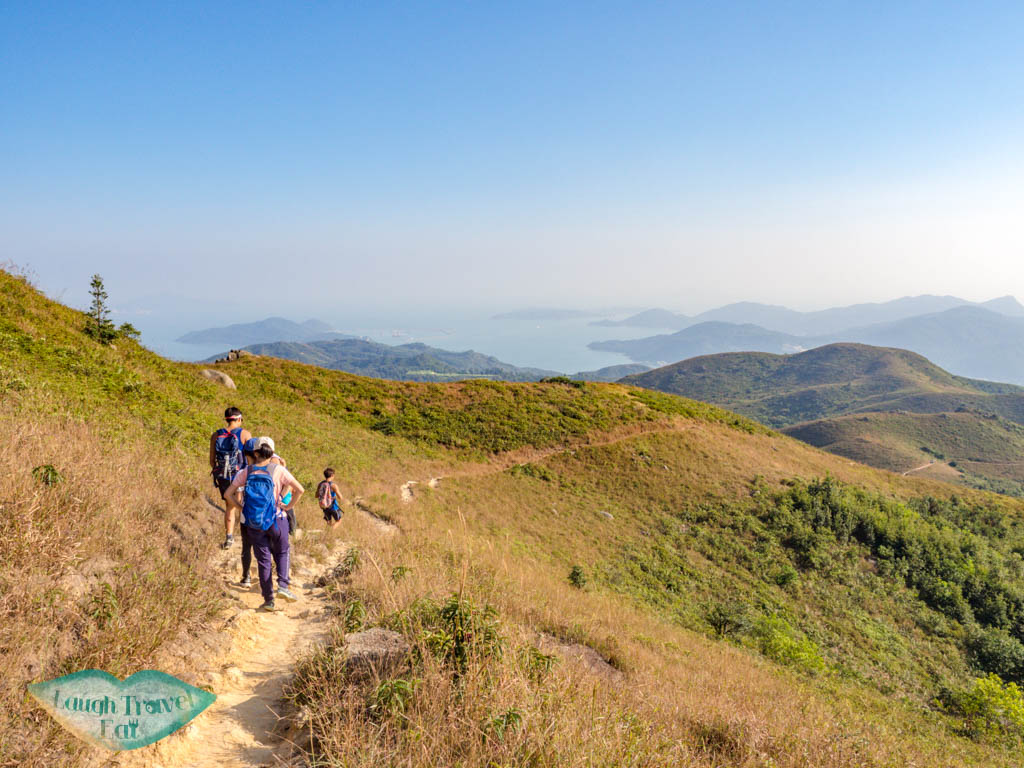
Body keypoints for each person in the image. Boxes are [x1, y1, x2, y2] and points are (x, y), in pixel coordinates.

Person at [225, 437, 304, 612]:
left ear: (254, 454)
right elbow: (300, 490)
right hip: (277, 518)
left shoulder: (246, 472)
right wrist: (287, 506)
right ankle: (283, 585)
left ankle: (268, 600)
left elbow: (228, 494)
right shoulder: (279, 470)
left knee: (263, 560)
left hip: (254, 521)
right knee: (283, 551)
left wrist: (241, 507)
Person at [238, 437, 294, 588]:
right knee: (279, 549)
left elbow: (232, 493)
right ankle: (281, 583)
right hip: (273, 515)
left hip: (249, 516)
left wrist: (240, 506)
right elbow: (292, 487)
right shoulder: (276, 464)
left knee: (249, 548)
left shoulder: (247, 468)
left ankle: (247, 577)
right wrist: (283, 501)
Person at [209, 407, 252, 549]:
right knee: (241, 503)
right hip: (239, 474)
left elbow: (211, 460)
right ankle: (248, 534)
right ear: (238, 419)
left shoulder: (216, 435)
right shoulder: (245, 434)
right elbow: (252, 458)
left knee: (229, 506)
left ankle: (229, 537)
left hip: (223, 475)